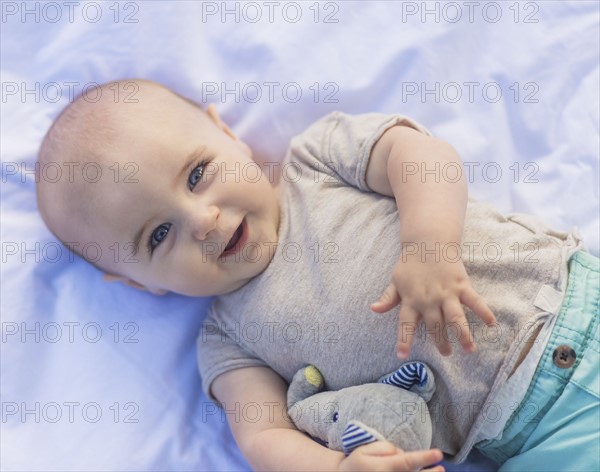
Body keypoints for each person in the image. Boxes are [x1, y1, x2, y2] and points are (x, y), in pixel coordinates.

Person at [36, 79, 599, 471]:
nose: (202, 220)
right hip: (530, 437)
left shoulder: (315, 160)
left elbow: (424, 157)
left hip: (573, 301)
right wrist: (337, 465)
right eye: (157, 236)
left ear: (226, 132)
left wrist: (429, 245)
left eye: (197, 174)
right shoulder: (227, 341)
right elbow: (265, 438)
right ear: (140, 284)